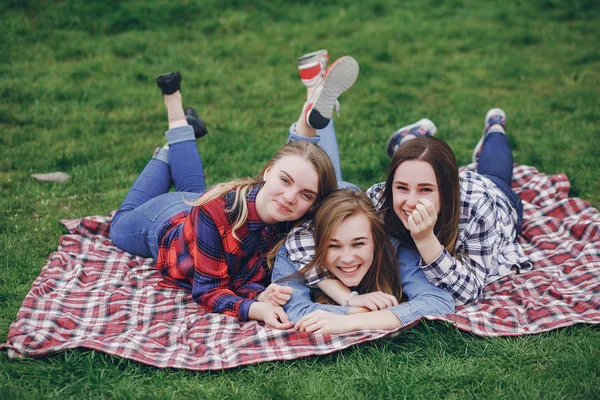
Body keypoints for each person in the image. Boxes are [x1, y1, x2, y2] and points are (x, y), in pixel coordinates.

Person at [109, 58, 358, 328]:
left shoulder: (294, 215)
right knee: (118, 225)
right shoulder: (216, 209)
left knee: (194, 192)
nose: (290, 198)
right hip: (161, 226)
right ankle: (168, 149)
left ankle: (182, 125)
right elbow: (208, 290)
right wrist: (255, 308)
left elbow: (240, 277)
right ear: (267, 170)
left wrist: (261, 292)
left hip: (197, 209)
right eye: (284, 181)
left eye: (307, 195)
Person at [266, 50, 455, 334]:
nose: (347, 259)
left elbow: (438, 301)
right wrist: (350, 305)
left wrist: (352, 321)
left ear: (376, 239)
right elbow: (296, 309)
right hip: (327, 204)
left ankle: (314, 92)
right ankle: (313, 95)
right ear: (318, 242)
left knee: (322, 175)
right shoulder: (295, 251)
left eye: (358, 244)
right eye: (332, 246)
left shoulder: (390, 244)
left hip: (345, 201)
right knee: (306, 168)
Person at [369, 108, 533, 305]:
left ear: (445, 191)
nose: (411, 202)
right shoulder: (378, 200)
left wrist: (425, 239)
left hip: (499, 197)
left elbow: (470, 292)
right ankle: (413, 139)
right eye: (402, 187)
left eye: (425, 190)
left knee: (495, 173)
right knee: (417, 158)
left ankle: (495, 125)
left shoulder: (478, 208)